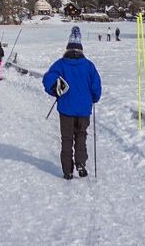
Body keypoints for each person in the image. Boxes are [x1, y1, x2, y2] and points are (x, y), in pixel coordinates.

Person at [42, 26, 102, 180]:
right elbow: (96, 86)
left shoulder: (60, 64)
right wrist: (94, 98)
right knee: (81, 136)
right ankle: (80, 163)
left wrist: (55, 90)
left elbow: (48, 79)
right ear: (81, 48)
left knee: (67, 138)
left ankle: (67, 170)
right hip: (83, 109)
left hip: (66, 109)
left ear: (68, 47)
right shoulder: (89, 66)